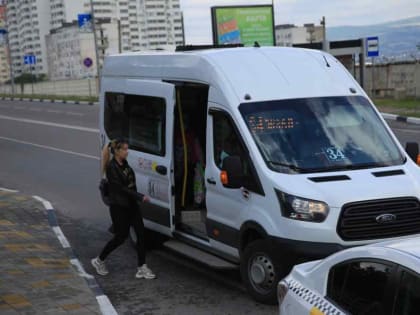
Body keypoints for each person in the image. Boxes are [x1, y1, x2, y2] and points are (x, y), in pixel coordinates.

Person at [91, 138, 156, 279]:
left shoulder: (124, 165)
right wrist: (140, 196)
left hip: (131, 205)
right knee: (121, 237)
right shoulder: (111, 168)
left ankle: (142, 267)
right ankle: (99, 260)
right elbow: (121, 189)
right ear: (117, 151)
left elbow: (131, 184)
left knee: (141, 234)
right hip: (119, 207)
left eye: (127, 148)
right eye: (125, 149)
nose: (127, 151)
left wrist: (136, 200)